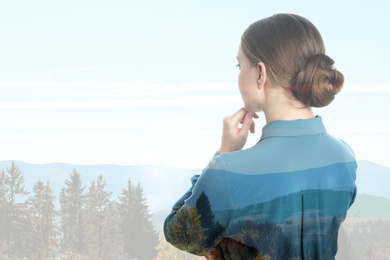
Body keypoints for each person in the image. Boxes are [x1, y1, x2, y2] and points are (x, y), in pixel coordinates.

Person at [163, 13, 357, 260]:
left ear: (260, 73)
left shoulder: (229, 171)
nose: (238, 73)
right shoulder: (345, 157)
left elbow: (178, 232)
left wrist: (224, 154)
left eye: (239, 65)